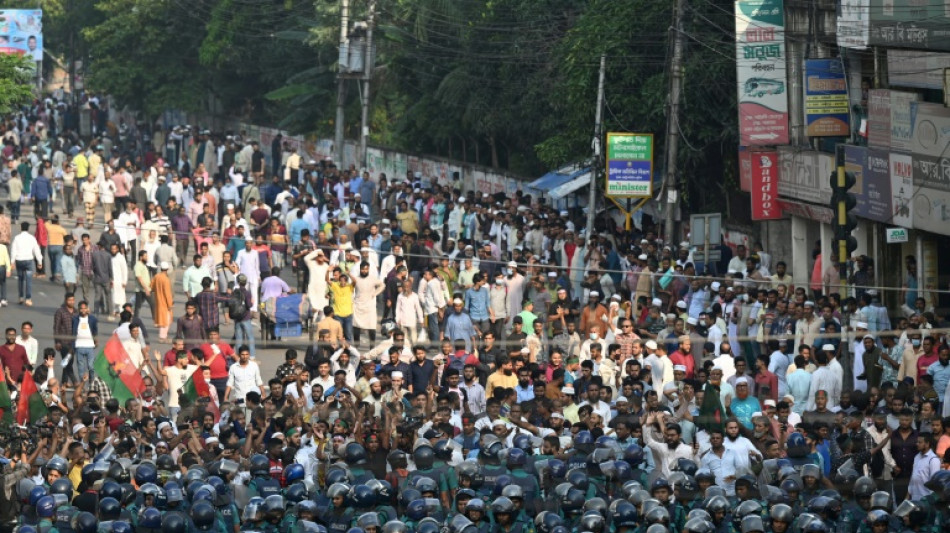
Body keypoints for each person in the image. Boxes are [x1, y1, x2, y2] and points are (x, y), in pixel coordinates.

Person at [10, 221, 42, 306]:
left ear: (21, 228)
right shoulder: (32, 238)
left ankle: (20, 297)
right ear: (28, 228)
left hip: (19, 260)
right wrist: (39, 261)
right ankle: (28, 299)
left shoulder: (17, 238)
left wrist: (12, 262)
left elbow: (13, 250)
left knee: (20, 279)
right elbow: (36, 250)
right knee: (29, 280)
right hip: (28, 261)